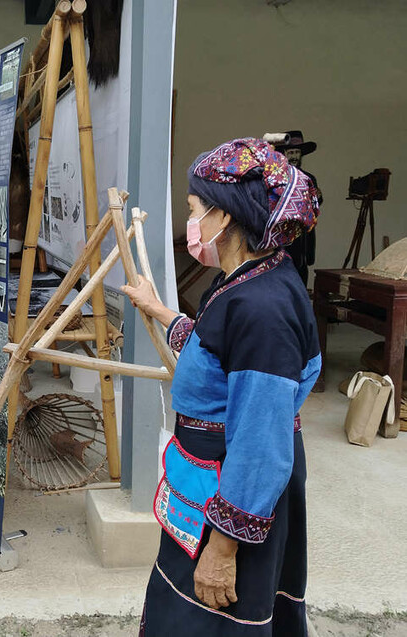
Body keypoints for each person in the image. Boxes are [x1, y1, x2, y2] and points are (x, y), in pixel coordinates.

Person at [122, 138, 320, 636]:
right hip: (214, 484)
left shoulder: (263, 309)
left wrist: (224, 547)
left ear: (224, 216)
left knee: (211, 618)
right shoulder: (252, 276)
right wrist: (159, 310)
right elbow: (215, 353)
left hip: (234, 494)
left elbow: (260, 441)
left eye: (194, 210)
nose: (191, 222)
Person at [275, 131, 321, 287]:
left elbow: (315, 206)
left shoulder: (309, 178)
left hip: (303, 237)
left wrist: (317, 198)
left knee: (301, 274)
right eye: (291, 153)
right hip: (283, 235)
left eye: (297, 152)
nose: (294, 156)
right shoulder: (277, 178)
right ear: (284, 154)